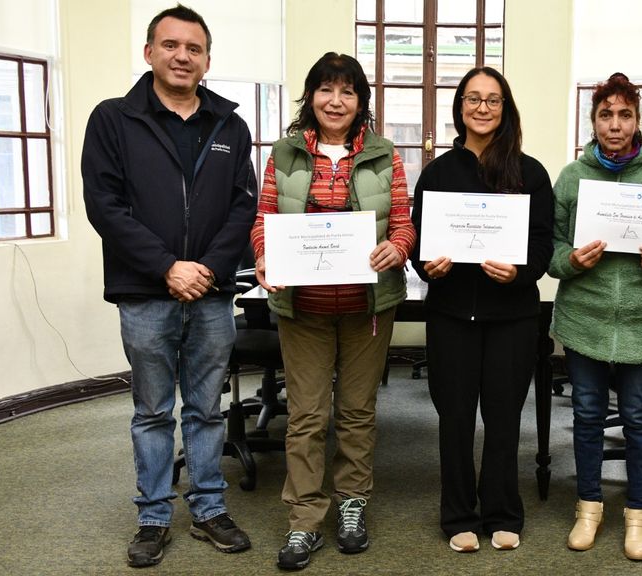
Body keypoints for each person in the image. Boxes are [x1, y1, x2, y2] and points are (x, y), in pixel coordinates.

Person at [81, 4, 256, 568]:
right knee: (152, 410)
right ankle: (154, 515)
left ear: (207, 59)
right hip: (145, 294)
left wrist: (204, 267)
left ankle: (208, 509)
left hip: (211, 292)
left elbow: (242, 206)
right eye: (172, 45)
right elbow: (105, 207)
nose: (183, 56)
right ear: (150, 51)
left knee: (207, 409)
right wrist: (167, 267)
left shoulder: (231, 125)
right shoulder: (113, 119)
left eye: (195, 48)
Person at [250, 52, 415, 570]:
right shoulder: (285, 153)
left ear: (361, 100)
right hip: (304, 308)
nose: (336, 100)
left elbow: (404, 222)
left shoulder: (387, 155)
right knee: (306, 416)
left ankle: (351, 505)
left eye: (347, 91)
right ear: (311, 97)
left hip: (368, 307)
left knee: (357, 414)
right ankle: (303, 521)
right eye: (326, 89)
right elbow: (264, 218)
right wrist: (263, 254)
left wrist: (399, 247)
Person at [409, 67, 554, 554]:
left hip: (512, 317)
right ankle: (458, 516)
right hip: (451, 314)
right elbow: (418, 243)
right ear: (460, 107)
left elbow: (541, 243)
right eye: (473, 98)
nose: (483, 107)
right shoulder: (438, 172)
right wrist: (429, 266)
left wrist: (520, 272)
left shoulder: (529, 171)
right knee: (454, 418)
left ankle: (503, 513)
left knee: (504, 418)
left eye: (493, 100)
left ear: (505, 108)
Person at [549, 73, 642, 561]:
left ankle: (638, 513)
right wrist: (571, 261)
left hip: (641, 321)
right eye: (605, 115)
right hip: (584, 319)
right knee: (587, 416)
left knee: (636, 419)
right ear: (593, 121)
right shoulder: (572, 176)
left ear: (638, 120)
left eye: (625, 114)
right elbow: (549, 250)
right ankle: (588, 507)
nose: (615, 125)